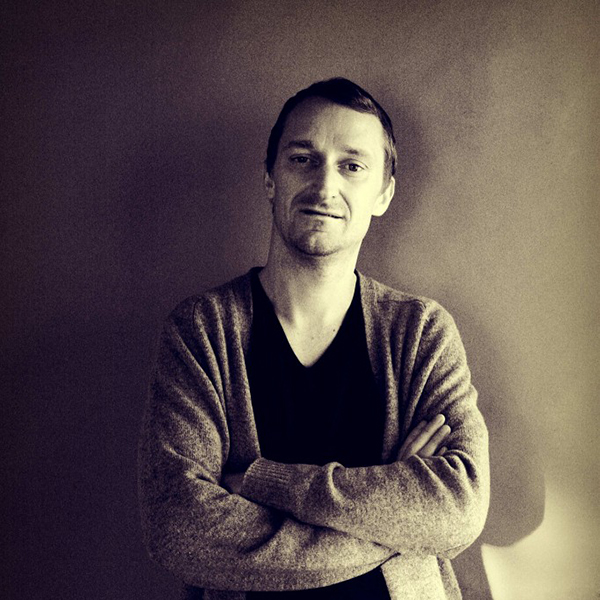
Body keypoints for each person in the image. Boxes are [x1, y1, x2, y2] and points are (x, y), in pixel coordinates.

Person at [138, 78, 490, 600]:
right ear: (270, 177)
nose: (325, 186)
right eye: (303, 159)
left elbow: (457, 510)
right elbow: (179, 529)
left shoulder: (420, 332)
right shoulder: (202, 331)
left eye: (352, 166)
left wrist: (265, 483)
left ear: (384, 193)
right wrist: (394, 527)